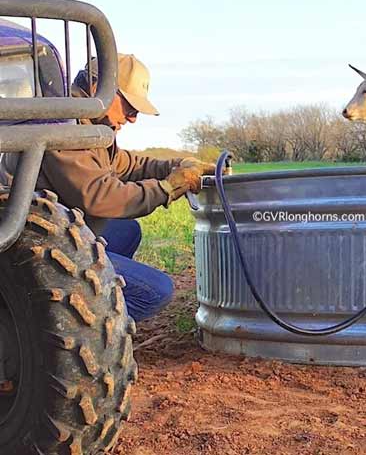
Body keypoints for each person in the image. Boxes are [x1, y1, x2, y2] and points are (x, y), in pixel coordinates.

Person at [0, 54, 215, 322]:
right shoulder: (62, 125)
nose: (133, 117)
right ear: (97, 87)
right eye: (130, 106)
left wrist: (179, 164)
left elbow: (125, 164)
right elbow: (100, 196)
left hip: (47, 227)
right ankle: (85, 331)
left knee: (126, 230)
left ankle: (90, 294)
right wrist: (167, 188)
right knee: (155, 292)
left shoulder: (87, 123)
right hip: (30, 243)